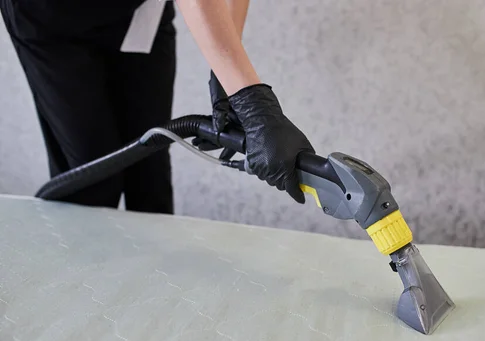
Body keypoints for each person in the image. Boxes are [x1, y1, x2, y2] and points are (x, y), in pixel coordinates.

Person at [0, 0, 314, 214]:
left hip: (139, 14)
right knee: (93, 179)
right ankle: (83, 296)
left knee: (150, 167)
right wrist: (253, 102)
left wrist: (228, 76)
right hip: (52, 17)